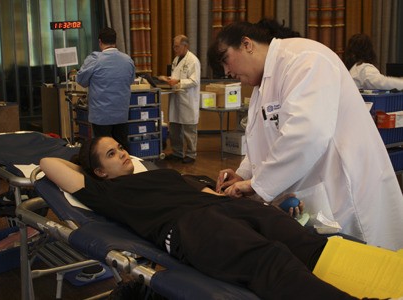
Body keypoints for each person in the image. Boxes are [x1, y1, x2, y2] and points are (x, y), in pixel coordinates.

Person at [40, 136, 370, 300]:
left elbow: (203, 192)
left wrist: (251, 205)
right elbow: (48, 163)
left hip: (215, 207)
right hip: (188, 226)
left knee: (293, 235)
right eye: (111, 154)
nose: (123, 153)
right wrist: (85, 167)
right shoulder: (105, 192)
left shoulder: (156, 174)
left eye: (120, 147)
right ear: (98, 171)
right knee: (269, 259)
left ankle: (359, 274)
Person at [210, 20, 403, 251]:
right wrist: (243, 174)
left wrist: (257, 184)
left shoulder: (306, 60)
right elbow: (263, 138)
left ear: (246, 44)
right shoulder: (263, 84)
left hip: (345, 188)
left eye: (225, 60)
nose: (227, 71)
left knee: (366, 264)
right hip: (313, 192)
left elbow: (307, 133)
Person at [76, 27, 135, 150]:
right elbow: (130, 81)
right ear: (115, 41)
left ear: (100, 42)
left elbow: (81, 81)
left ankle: (107, 170)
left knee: (104, 150)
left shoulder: (95, 59)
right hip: (121, 114)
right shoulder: (128, 60)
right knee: (122, 147)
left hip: (101, 116)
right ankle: (127, 168)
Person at [163, 35, 201, 164]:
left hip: (188, 99)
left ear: (185, 46)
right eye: (174, 46)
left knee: (189, 130)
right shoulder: (176, 60)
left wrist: (178, 81)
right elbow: (176, 76)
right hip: (176, 98)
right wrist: (168, 79)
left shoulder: (193, 61)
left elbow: (194, 81)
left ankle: (191, 154)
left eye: (177, 46)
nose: (174, 49)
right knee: (174, 129)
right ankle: (177, 153)